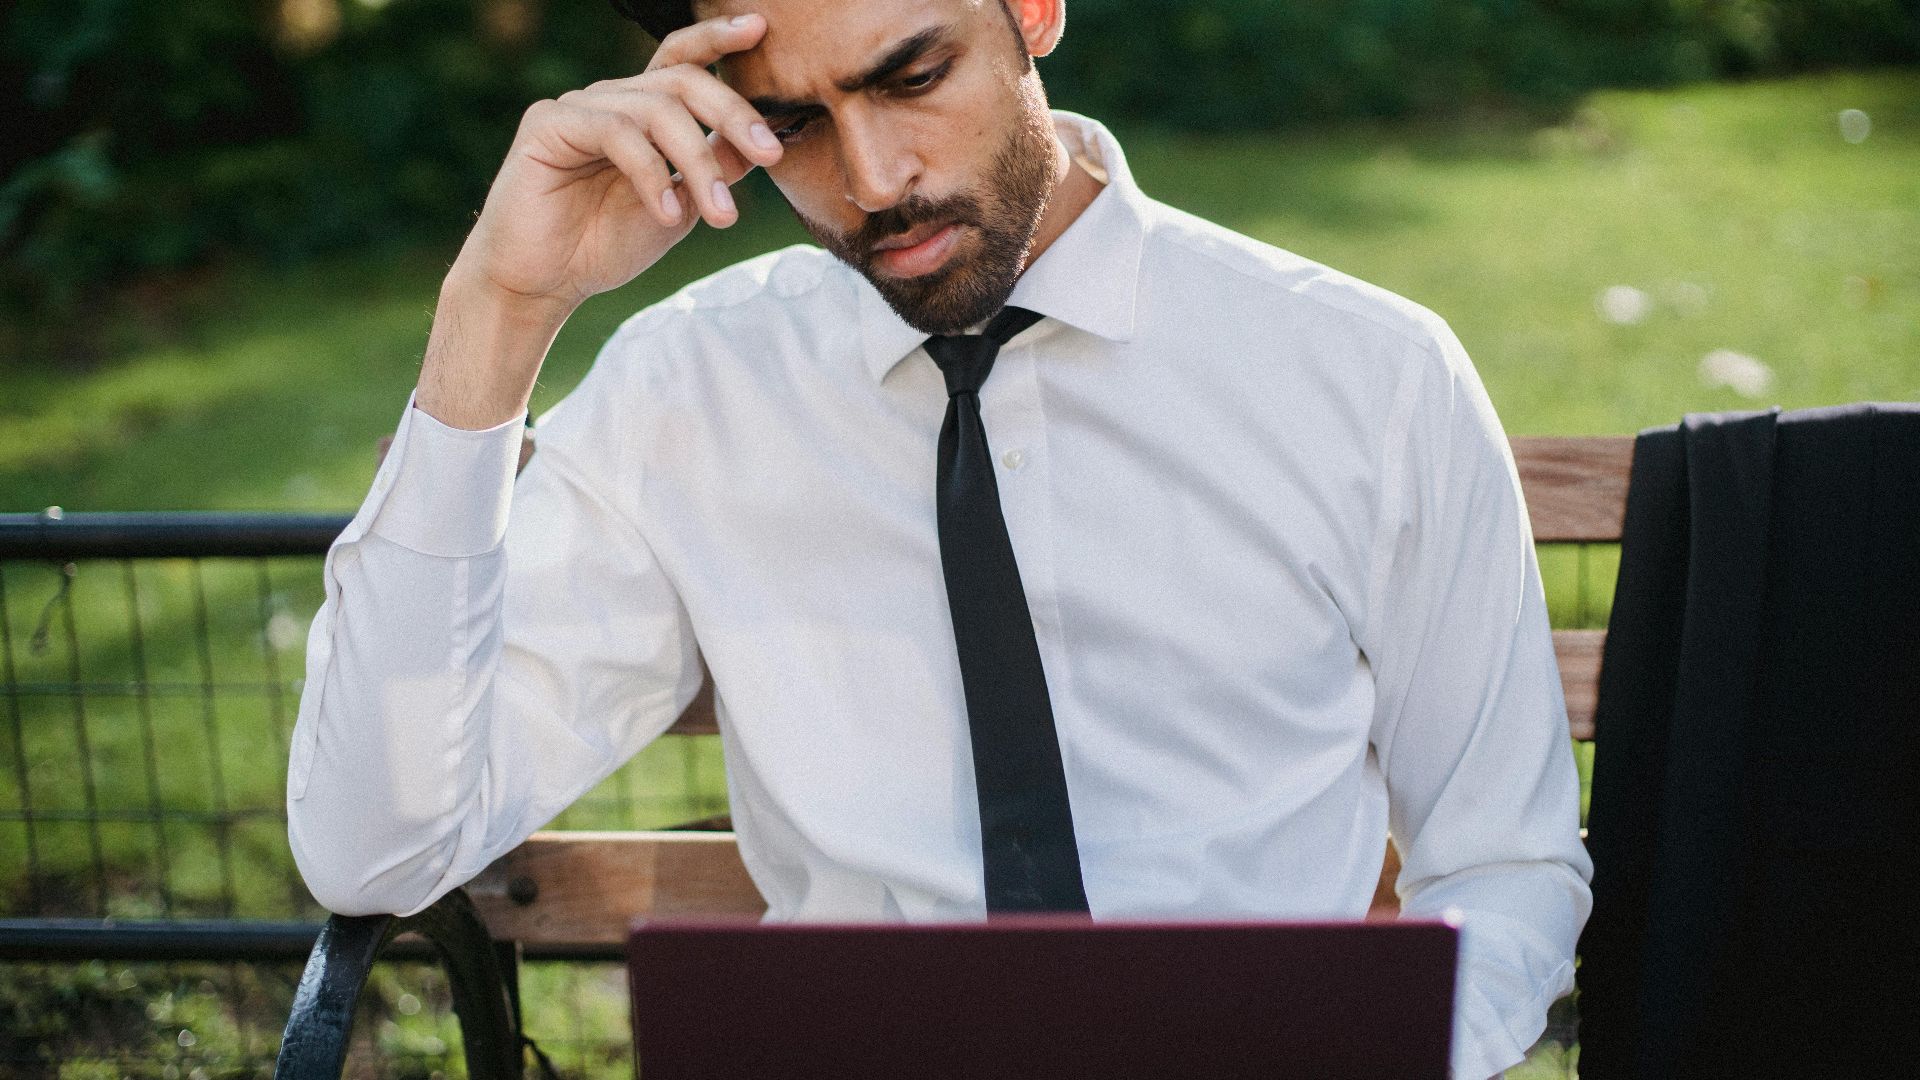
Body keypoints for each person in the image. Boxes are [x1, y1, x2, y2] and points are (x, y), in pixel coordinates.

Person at [285, 1, 1592, 1075]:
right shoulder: (690, 395)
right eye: (793, 124)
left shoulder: (1367, 378)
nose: (873, 179)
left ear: (1032, 12)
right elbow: (379, 845)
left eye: (913, 75)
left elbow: (1506, 862)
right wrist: (501, 309)